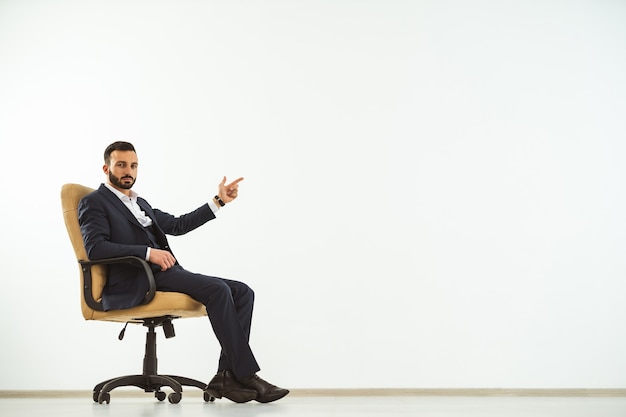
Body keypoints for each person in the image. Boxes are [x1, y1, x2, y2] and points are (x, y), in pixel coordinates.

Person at [78, 141, 289, 404]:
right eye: (120, 165)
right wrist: (147, 252)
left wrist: (219, 200)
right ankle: (246, 375)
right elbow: (95, 248)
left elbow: (178, 225)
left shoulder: (139, 202)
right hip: (137, 279)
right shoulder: (94, 202)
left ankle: (226, 374)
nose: (128, 171)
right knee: (218, 289)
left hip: (164, 273)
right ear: (106, 167)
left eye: (133, 165)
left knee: (243, 292)